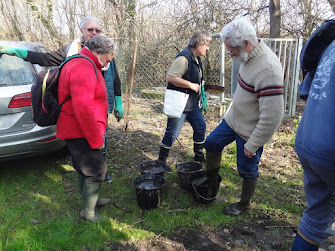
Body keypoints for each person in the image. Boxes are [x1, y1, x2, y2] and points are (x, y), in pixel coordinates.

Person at [0, 16, 123, 182]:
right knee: (91, 144)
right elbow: (45, 59)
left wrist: (118, 100)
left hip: (101, 106)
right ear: (82, 31)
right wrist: (19, 52)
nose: (94, 33)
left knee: (102, 139)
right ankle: (94, 174)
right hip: (81, 112)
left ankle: (98, 168)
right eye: (90, 29)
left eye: (97, 30)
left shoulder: (105, 50)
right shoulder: (73, 51)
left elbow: (115, 78)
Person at [202, 17, 284, 216]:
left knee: (247, 168)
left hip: (250, 130)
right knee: (211, 143)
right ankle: (211, 184)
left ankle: (244, 204)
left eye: (232, 51)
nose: (231, 55)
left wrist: (254, 143)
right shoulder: (248, 56)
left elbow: (273, 116)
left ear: (246, 43)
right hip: (233, 120)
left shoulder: (268, 69)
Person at [56, 35, 116, 223]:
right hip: (81, 130)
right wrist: (95, 139)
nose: (110, 60)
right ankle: (88, 213)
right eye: (110, 56)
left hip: (77, 128)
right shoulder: (83, 66)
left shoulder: (86, 62)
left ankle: (91, 202)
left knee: (84, 168)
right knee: (96, 170)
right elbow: (83, 108)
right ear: (101, 51)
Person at [290, 20, 335, 251]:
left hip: (308, 138)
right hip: (331, 147)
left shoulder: (328, 41)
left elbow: (305, 92)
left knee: (316, 216)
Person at [158, 29, 212, 166]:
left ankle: (198, 155)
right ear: (198, 44)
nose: (208, 48)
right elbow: (170, 77)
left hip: (192, 104)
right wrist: (190, 85)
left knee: (200, 127)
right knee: (172, 134)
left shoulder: (197, 59)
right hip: (179, 105)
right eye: (206, 45)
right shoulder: (184, 58)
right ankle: (161, 162)